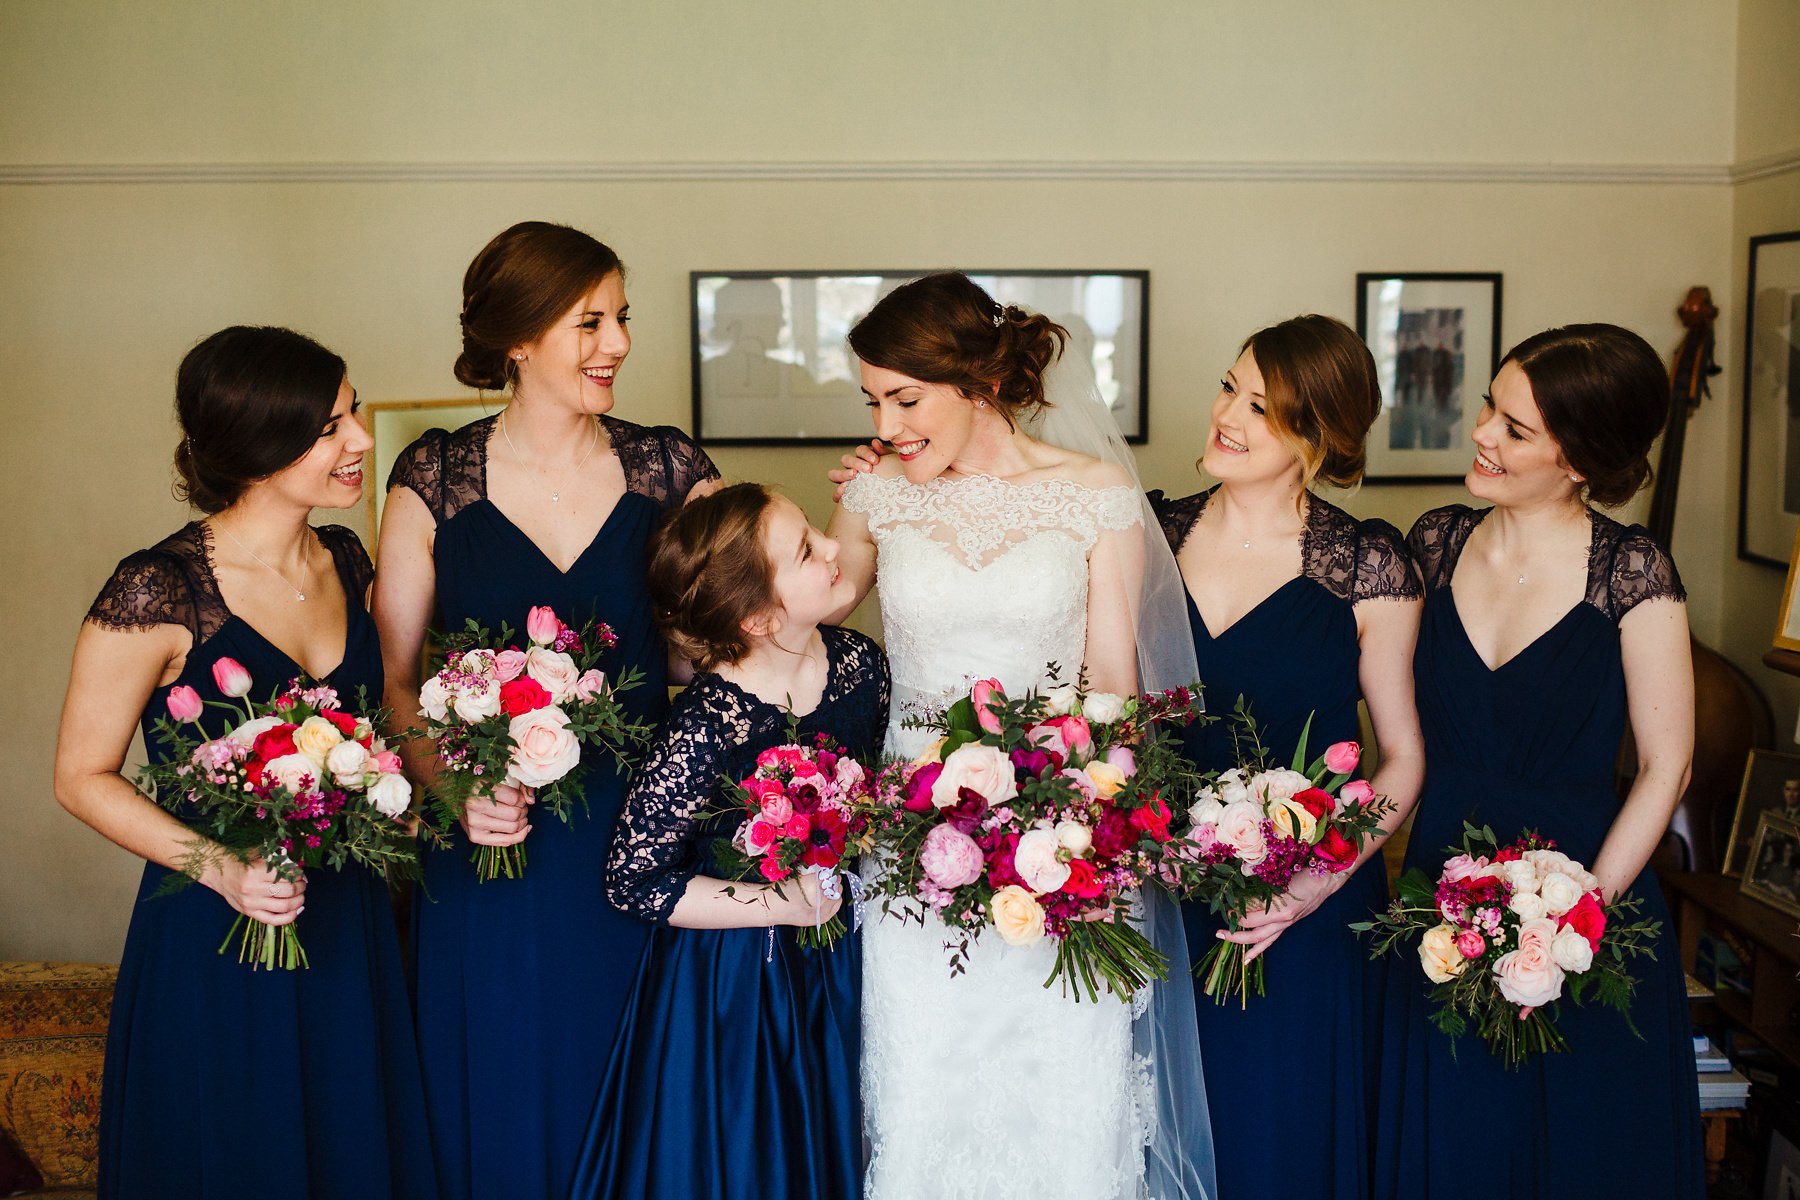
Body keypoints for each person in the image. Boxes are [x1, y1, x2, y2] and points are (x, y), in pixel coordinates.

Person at [826, 272, 1213, 1200]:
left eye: (907, 398)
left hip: (1056, 841)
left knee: (1061, 1094)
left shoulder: (1094, 496)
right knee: (923, 1093)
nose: (887, 422)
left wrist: (1083, 821)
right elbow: (808, 606)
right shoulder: (876, 492)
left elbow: (1115, 688)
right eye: (873, 398)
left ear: (980, 385)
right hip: (906, 843)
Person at [374, 221, 719, 1199]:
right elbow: (396, 684)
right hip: (493, 856)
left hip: (644, 843)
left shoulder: (671, 471)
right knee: (501, 1093)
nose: (616, 343)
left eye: (621, 320)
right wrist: (453, 787)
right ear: (519, 339)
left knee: (649, 1093)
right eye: (590, 321)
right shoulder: (434, 482)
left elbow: (734, 648)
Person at [54, 326, 436, 1198]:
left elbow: (375, 730)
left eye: (354, 415)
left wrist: (411, 798)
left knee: (351, 1150)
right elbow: (79, 775)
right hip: (218, 933)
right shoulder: (154, 590)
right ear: (263, 445)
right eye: (334, 426)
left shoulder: (346, 559)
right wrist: (222, 868)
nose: (363, 443)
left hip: (349, 922)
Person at [1374, 324, 1704, 1199]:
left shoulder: (1633, 573)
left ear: (1583, 460)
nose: (1482, 432)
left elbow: (1667, 766)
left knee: (1582, 1155)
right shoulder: (1434, 542)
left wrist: (1573, 923)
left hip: (1588, 901)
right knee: (1455, 1145)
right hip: (1439, 909)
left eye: (1515, 429)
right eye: (1491, 404)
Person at [1149, 315, 1425, 1200]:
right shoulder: (1146, 535)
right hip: (1161, 887)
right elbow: (1105, 717)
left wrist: (1318, 879)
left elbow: (1404, 757)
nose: (1228, 414)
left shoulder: (1369, 565)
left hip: (1304, 908)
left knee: (1285, 1143)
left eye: (1262, 407)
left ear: (1318, 436)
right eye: (1230, 387)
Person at [566, 483, 888, 1199]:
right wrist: (780, 902)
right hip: (740, 980)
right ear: (760, 616)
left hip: (846, 955)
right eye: (807, 549)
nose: (835, 547)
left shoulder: (862, 666)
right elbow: (634, 879)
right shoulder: (707, 724)